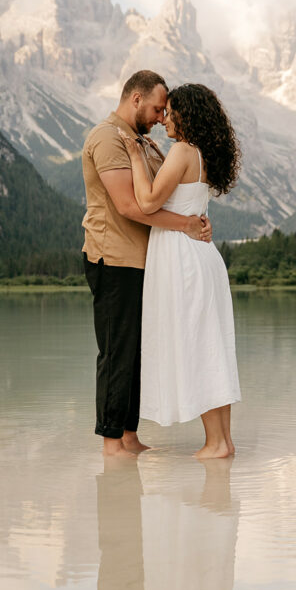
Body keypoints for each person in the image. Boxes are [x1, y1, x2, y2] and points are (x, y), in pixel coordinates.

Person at [82, 71, 213, 459]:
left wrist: (196, 215)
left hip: (145, 262)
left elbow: (167, 195)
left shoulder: (144, 143)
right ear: (135, 99)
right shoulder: (108, 139)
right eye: (157, 108)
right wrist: (187, 226)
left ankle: (129, 435)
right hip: (114, 257)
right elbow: (130, 206)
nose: (161, 117)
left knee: (139, 350)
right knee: (116, 350)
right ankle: (111, 442)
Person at [119, 83, 242, 459]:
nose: (164, 119)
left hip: (182, 259)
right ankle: (222, 441)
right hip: (202, 256)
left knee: (198, 346)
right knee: (211, 345)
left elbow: (148, 200)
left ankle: (216, 443)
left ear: (188, 116)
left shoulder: (183, 150)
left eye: (170, 112)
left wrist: (136, 158)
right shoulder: (203, 154)